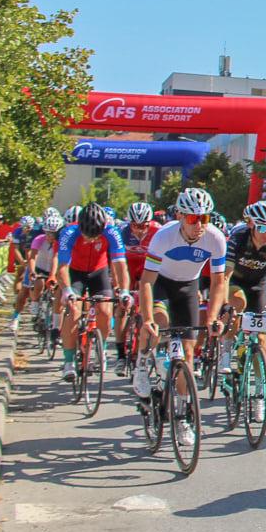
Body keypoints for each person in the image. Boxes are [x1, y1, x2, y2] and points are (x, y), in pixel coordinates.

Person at [132, 190, 229, 449]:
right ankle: (142, 364)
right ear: (180, 216)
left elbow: (219, 283)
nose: (199, 224)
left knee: (187, 352)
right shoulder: (163, 237)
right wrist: (148, 318)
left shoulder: (215, 238)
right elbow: (147, 282)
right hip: (161, 284)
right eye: (193, 218)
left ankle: (183, 416)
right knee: (159, 323)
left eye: (204, 218)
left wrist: (212, 317)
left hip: (188, 287)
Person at [218, 201, 266, 399]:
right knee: (238, 303)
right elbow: (225, 275)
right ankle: (226, 353)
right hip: (236, 282)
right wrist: (224, 304)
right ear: (251, 224)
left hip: (258, 286)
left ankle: (261, 392)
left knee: (261, 338)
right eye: (262, 227)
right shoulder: (239, 238)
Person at [53, 204, 128, 382]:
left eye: (96, 236)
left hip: (98, 272)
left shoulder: (112, 232)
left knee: (105, 311)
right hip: (75, 273)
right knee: (74, 311)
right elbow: (62, 268)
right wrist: (67, 291)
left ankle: (98, 348)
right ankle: (69, 361)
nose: (91, 240)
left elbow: (120, 266)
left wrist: (124, 291)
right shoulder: (68, 233)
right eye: (88, 236)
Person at [114, 201, 159, 358]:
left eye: (143, 226)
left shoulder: (157, 231)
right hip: (129, 266)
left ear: (150, 223)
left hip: (148, 267)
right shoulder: (121, 232)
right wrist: (118, 285)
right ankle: (120, 352)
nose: (139, 230)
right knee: (122, 307)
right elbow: (115, 261)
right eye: (135, 225)